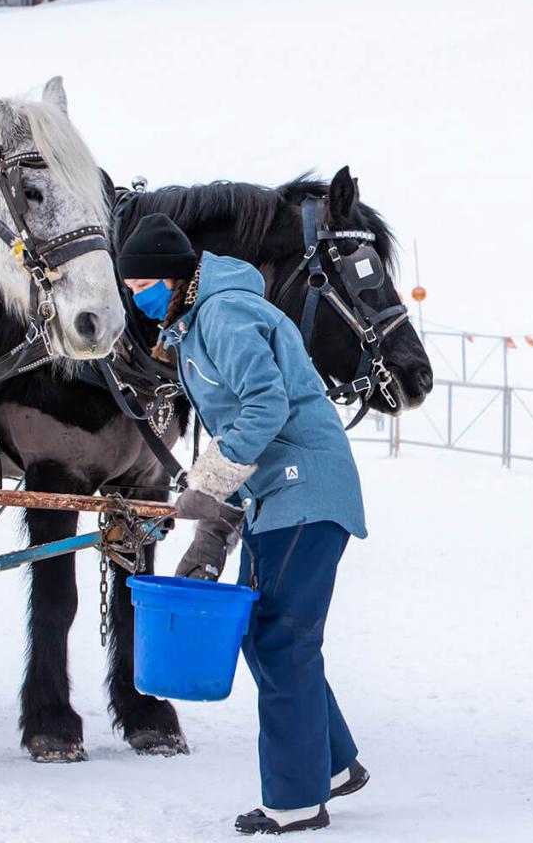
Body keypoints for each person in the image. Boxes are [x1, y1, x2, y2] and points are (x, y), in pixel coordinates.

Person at [119, 213, 371, 836]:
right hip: (275, 498)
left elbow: (265, 405)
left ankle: (295, 802)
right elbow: (242, 438)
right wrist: (209, 540)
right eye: (129, 291)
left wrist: (206, 481)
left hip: (305, 493)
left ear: (177, 279)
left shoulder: (224, 314)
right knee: (266, 636)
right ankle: (333, 765)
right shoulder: (198, 326)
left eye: (142, 284)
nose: (137, 298)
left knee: (282, 638)